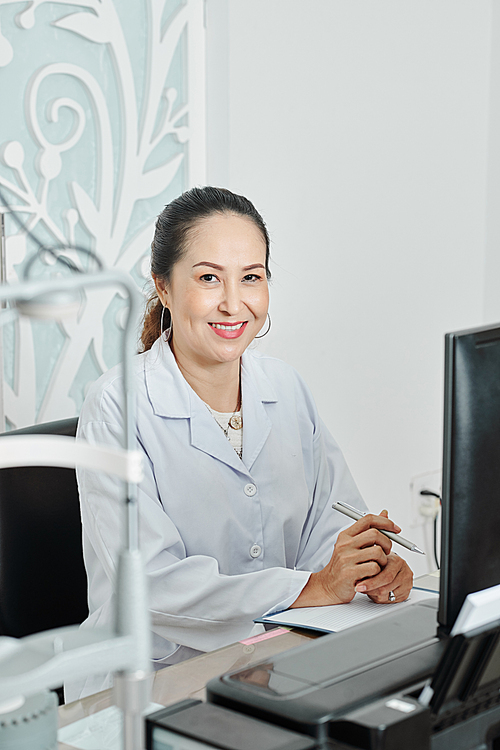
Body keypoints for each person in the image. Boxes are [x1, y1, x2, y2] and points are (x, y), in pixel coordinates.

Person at [68, 186, 413, 700]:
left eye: (251, 278)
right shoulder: (116, 404)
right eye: (209, 278)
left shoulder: (286, 389)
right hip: (151, 687)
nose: (234, 303)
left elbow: (332, 525)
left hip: (276, 662)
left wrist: (366, 568)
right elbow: (152, 586)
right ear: (163, 287)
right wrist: (314, 587)